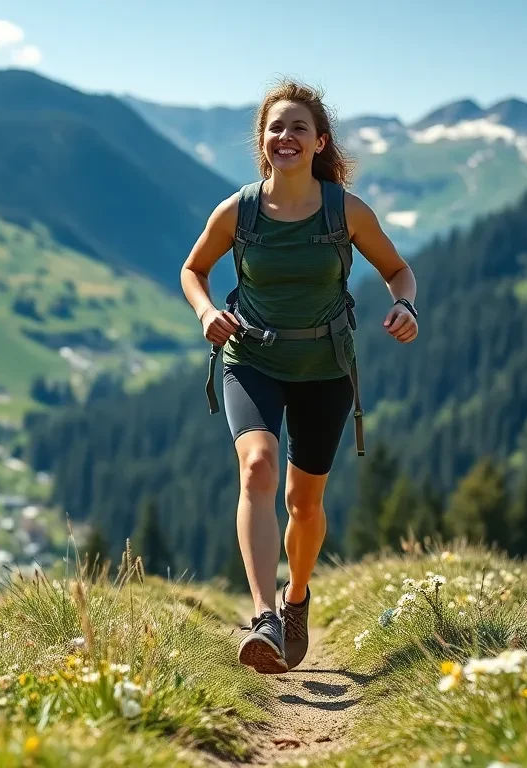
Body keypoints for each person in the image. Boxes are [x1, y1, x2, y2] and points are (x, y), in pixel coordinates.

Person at [179, 78, 418, 674]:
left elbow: (398, 272)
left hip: (324, 369)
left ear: (319, 142)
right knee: (257, 467)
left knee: (303, 504)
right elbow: (193, 269)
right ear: (263, 141)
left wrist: (405, 306)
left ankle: (296, 596)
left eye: (298, 128)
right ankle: (263, 616)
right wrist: (208, 312)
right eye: (275, 128)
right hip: (251, 359)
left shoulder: (345, 211)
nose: (285, 136)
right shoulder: (238, 210)